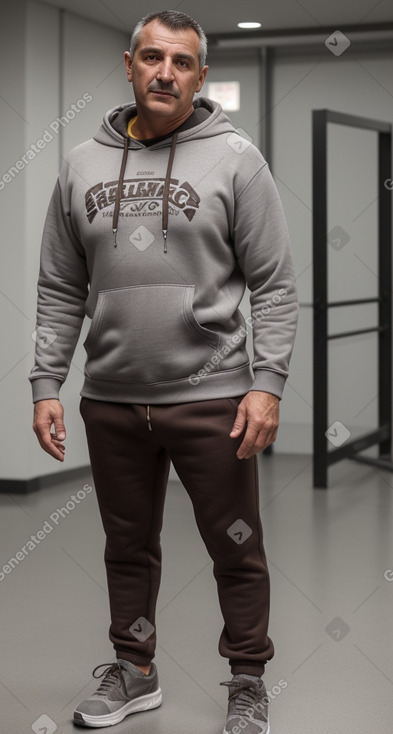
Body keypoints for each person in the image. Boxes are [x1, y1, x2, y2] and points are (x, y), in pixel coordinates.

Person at [29, 9, 298, 733]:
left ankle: (246, 678)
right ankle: (134, 670)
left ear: (200, 75)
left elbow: (273, 283)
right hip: (111, 398)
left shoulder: (236, 158)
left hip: (211, 396)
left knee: (235, 544)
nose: (165, 73)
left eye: (181, 62)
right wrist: (45, 384)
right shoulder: (81, 165)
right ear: (129, 65)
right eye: (152, 57)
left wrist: (265, 385)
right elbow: (59, 287)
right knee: (126, 545)